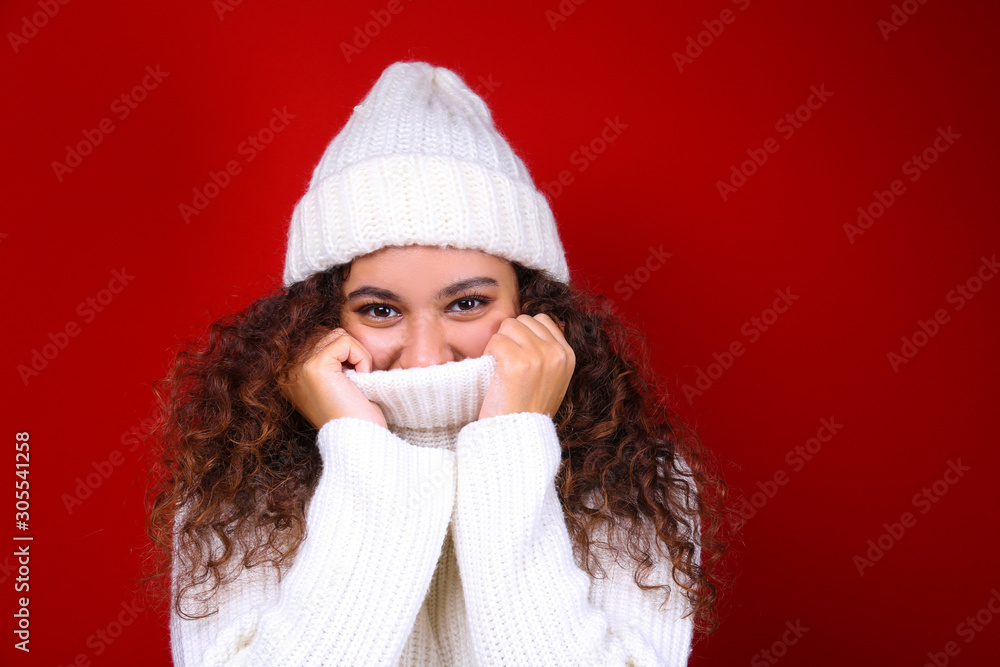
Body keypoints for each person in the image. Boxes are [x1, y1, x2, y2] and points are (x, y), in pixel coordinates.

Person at [143, 61, 732, 666]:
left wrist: (511, 450)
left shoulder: (634, 481)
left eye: (468, 303)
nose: (426, 356)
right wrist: (362, 452)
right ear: (316, 323)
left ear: (535, 306)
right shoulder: (241, 484)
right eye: (379, 310)